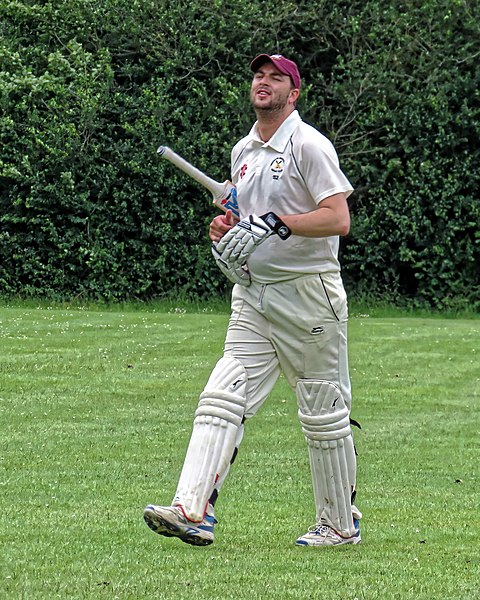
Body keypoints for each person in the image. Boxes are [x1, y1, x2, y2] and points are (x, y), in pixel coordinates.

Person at [144, 53, 362, 547]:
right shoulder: (244, 149)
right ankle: (192, 510)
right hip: (253, 294)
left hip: (308, 296)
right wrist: (224, 228)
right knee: (223, 395)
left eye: (275, 78)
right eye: (259, 76)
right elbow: (242, 216)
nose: (263, 83)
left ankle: (339, 525)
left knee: (323, 412)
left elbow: (337, 218)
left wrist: (279, 223)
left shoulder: (309, 145)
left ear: (294, 92)